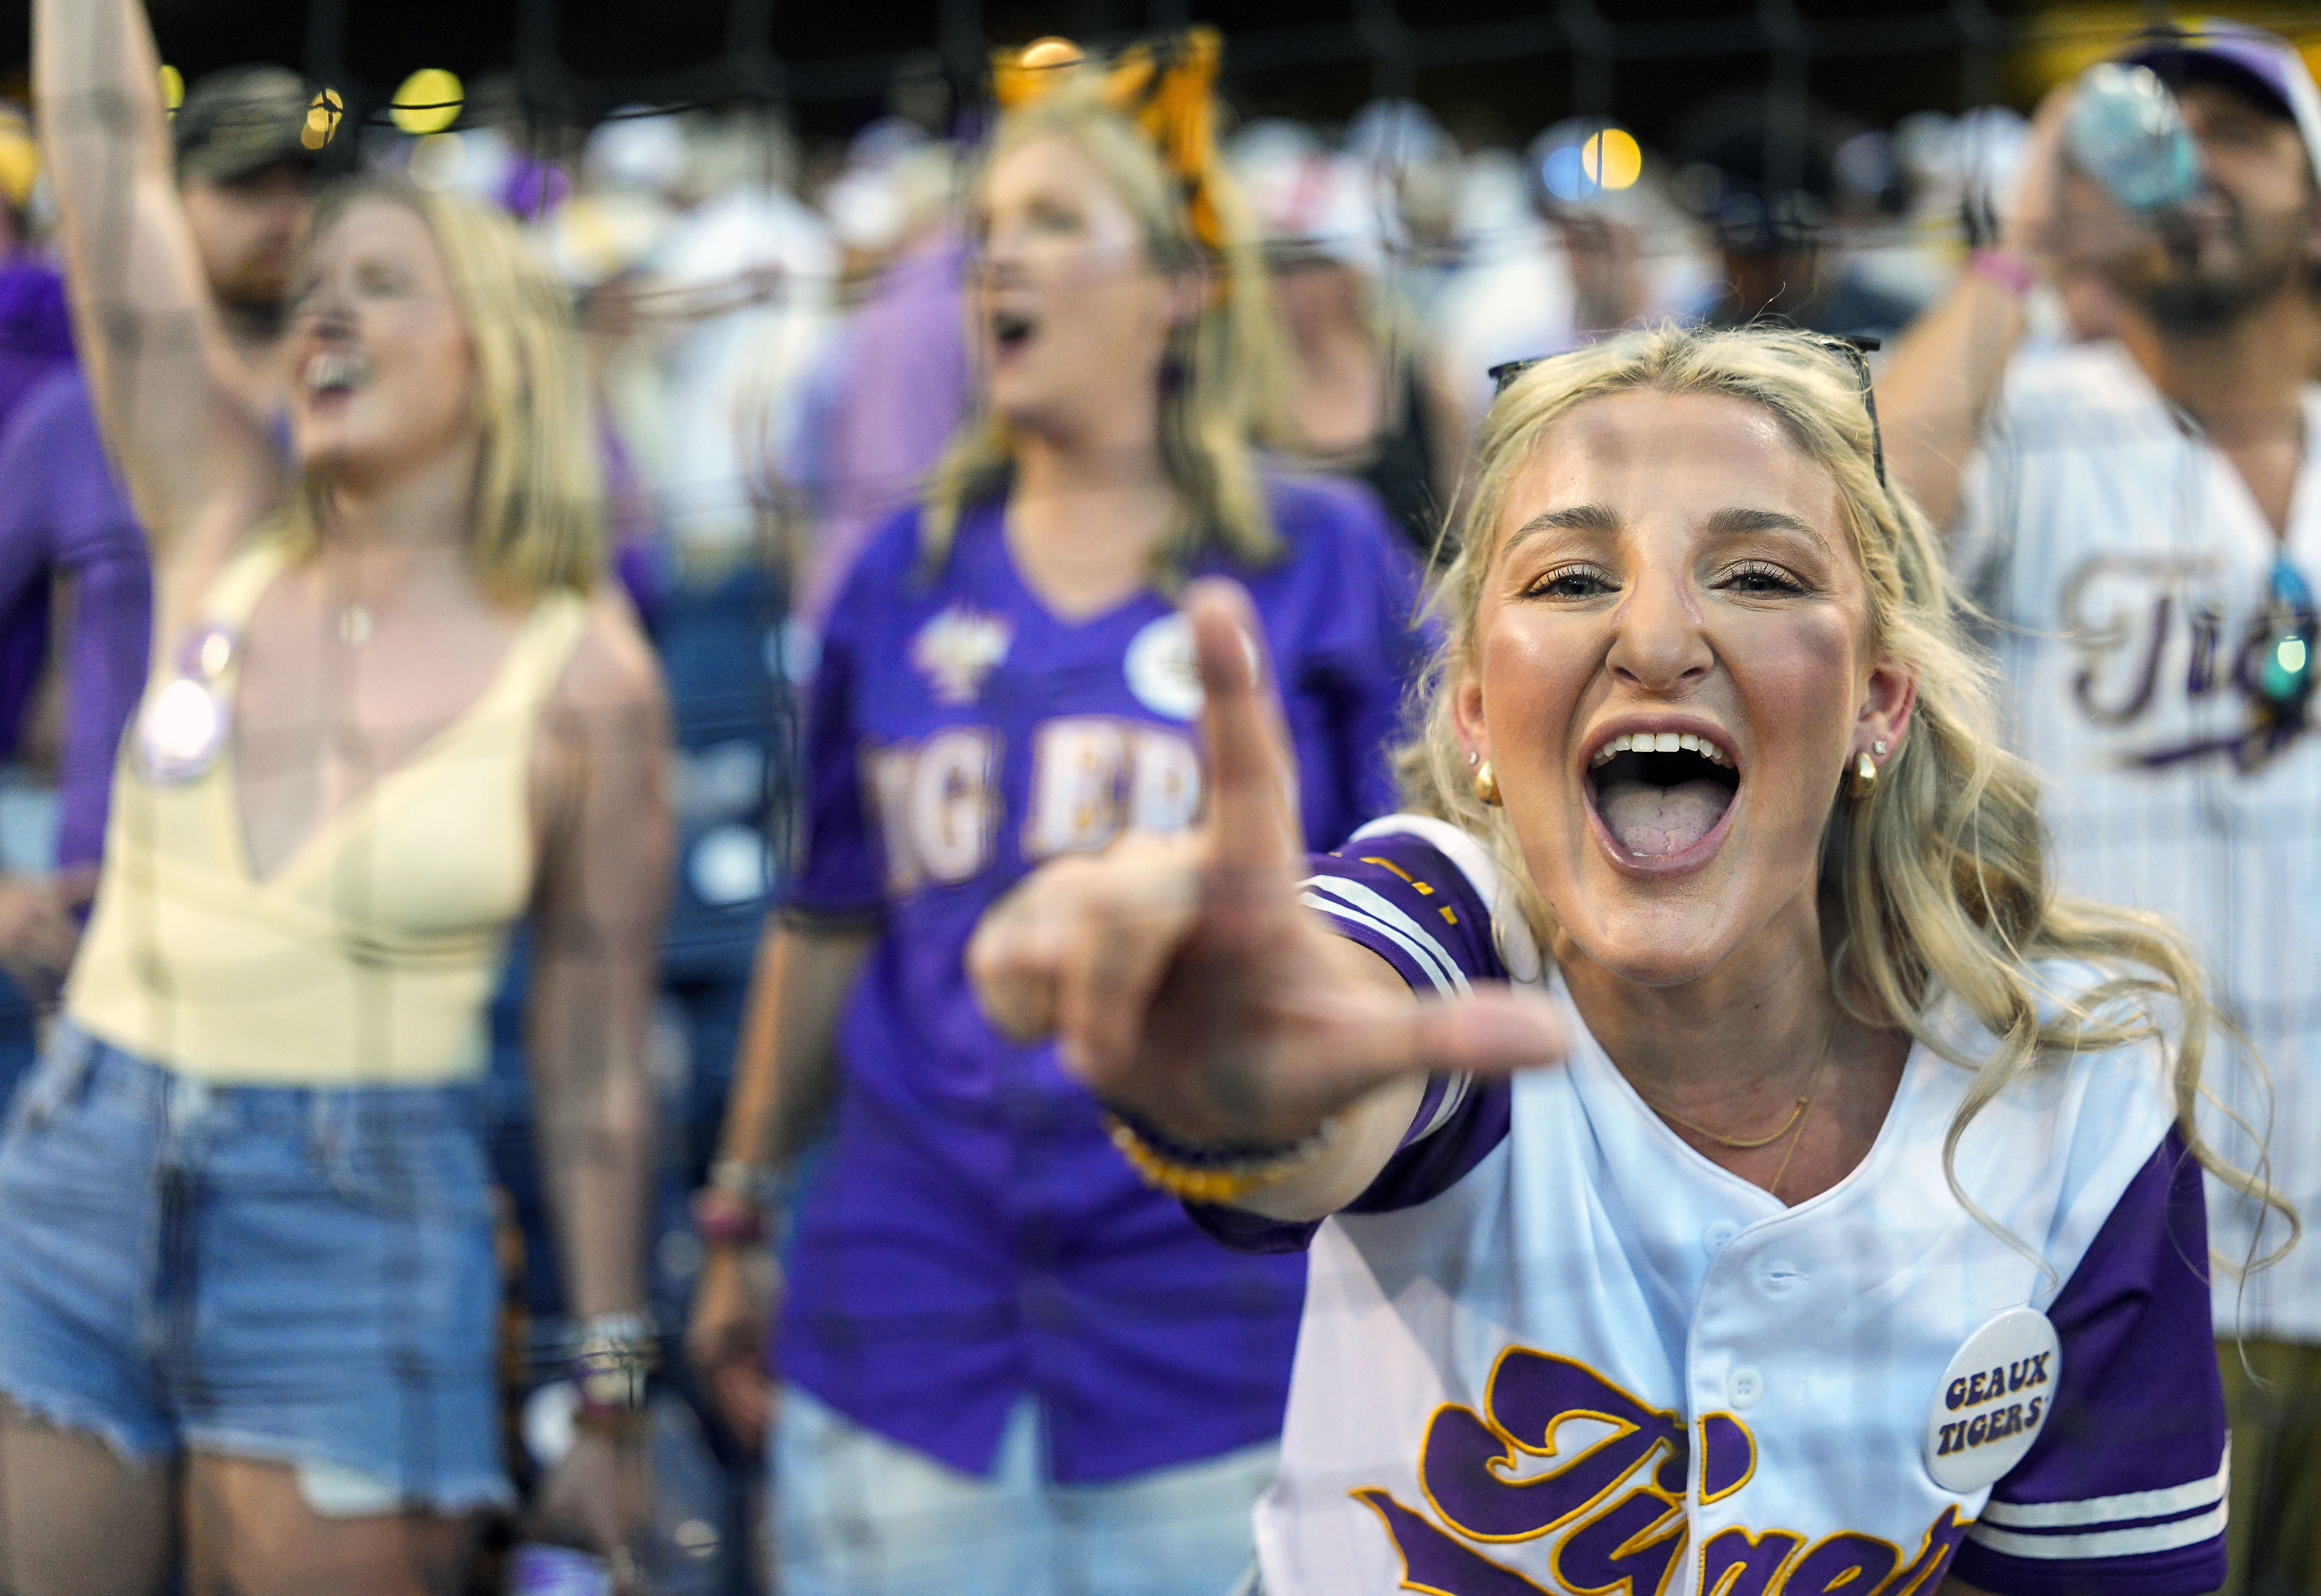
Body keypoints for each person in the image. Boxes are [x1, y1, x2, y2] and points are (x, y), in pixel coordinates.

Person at [968, 322, 2278, 1596]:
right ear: (1475, 712)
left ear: (1876, 701)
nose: (1654, 641)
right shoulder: (1448, 933)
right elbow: (1321, 1075)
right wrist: (1231, 1073)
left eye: (1758, 576)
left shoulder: (2068, 1082)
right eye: (1569, 580)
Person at [684, 32, 1427, 1596]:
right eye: (990, 224)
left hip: (1215, 1318)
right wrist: (743, 1209)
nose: (998, 254)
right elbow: (827, 921)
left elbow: (1428, 907)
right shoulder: (896, 575)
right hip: (906, 1310)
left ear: (1179, 286)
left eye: (1055, 220)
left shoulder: (1325, 554)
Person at [0, 0, 672, 1592]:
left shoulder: (589, 677)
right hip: (77, 1178)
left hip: (361, 1235)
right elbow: (102, 168)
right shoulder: (219, 514)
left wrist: (614, 1395)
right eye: (308, 294)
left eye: (377, 285)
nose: (321, 318)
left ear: (494, 347)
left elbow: (595, 1081)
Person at [1878, 23, 2321, 1590]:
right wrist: (2021, 255)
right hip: (2113, 1224)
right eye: (2161, 132)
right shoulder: (2043, 409)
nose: (2193, 161)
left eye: (2243, 133)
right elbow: (1869, 500)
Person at [0, 64, 321, 1061]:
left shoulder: (386, 420)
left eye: (306, 183)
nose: (285, 215)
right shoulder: (75, 416)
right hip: (109, 939)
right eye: (245, 186)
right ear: (170, 208)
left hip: (339, 936)